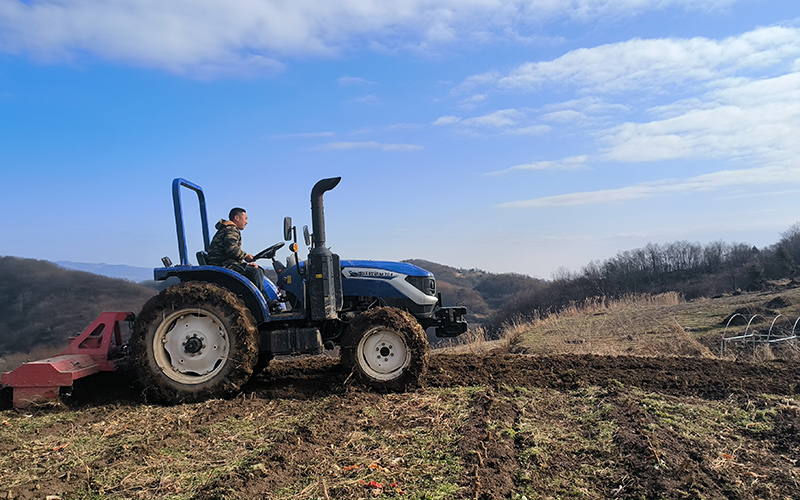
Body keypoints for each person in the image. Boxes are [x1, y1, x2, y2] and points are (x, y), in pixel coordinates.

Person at [207, 207, 268, 294]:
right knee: (255, 272)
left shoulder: (225, 229)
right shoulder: (231, 229)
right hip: (223, 265)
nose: (246, 222)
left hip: (224, 263)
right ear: (237, 218)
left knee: (257, 270)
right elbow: (232, 250)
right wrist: (246, 256)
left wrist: (244, 264)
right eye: (245, 219)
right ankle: (265, 301)